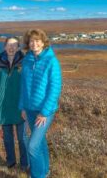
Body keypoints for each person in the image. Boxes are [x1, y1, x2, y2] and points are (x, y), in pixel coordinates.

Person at [19, 29, 62, 178]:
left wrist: (44, 112)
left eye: (37, 40)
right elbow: (23, 85)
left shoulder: (51, 61)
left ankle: (37, 175)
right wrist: (22, 106)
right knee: (40, 143)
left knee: (32, 146)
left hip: (44, 111)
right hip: (29, 109)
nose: (34, 43)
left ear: (43, 42)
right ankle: (45, 171)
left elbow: (54, 88)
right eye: (31, 41)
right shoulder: (27, 59)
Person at [0, 37, 29, 171]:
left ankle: (24, 164)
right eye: (9, 45)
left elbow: (29, 86)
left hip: (20, 106)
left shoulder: (25, 62)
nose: (11, 48)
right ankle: (11, 162)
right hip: (3, 106)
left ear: (18, 47)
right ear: (4, 46)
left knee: (22, 138)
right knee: (7, 137)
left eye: (14, 45)